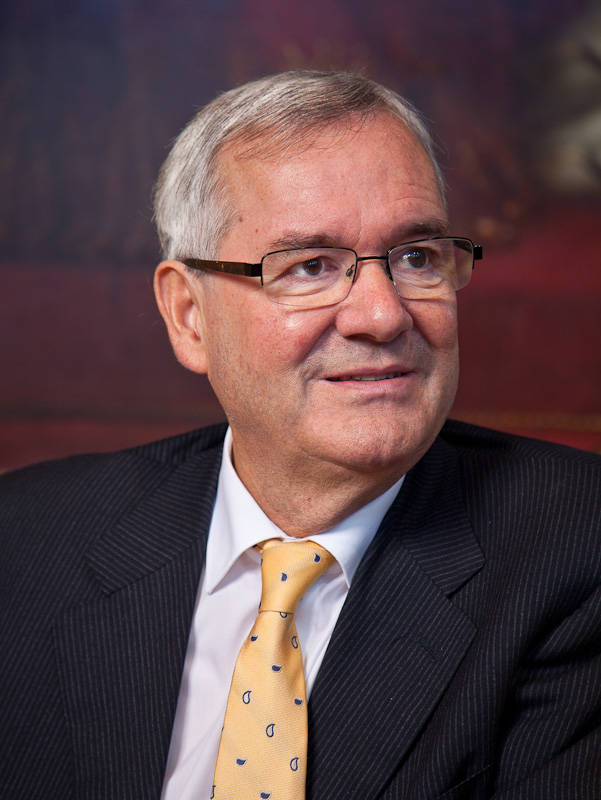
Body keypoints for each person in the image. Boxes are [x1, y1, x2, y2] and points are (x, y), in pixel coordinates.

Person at [1, 70, 600, 800]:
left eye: (416, 257)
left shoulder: (577, 551)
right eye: (310, 267)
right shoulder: (23, 541)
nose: (381, 315)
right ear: (189, 316)